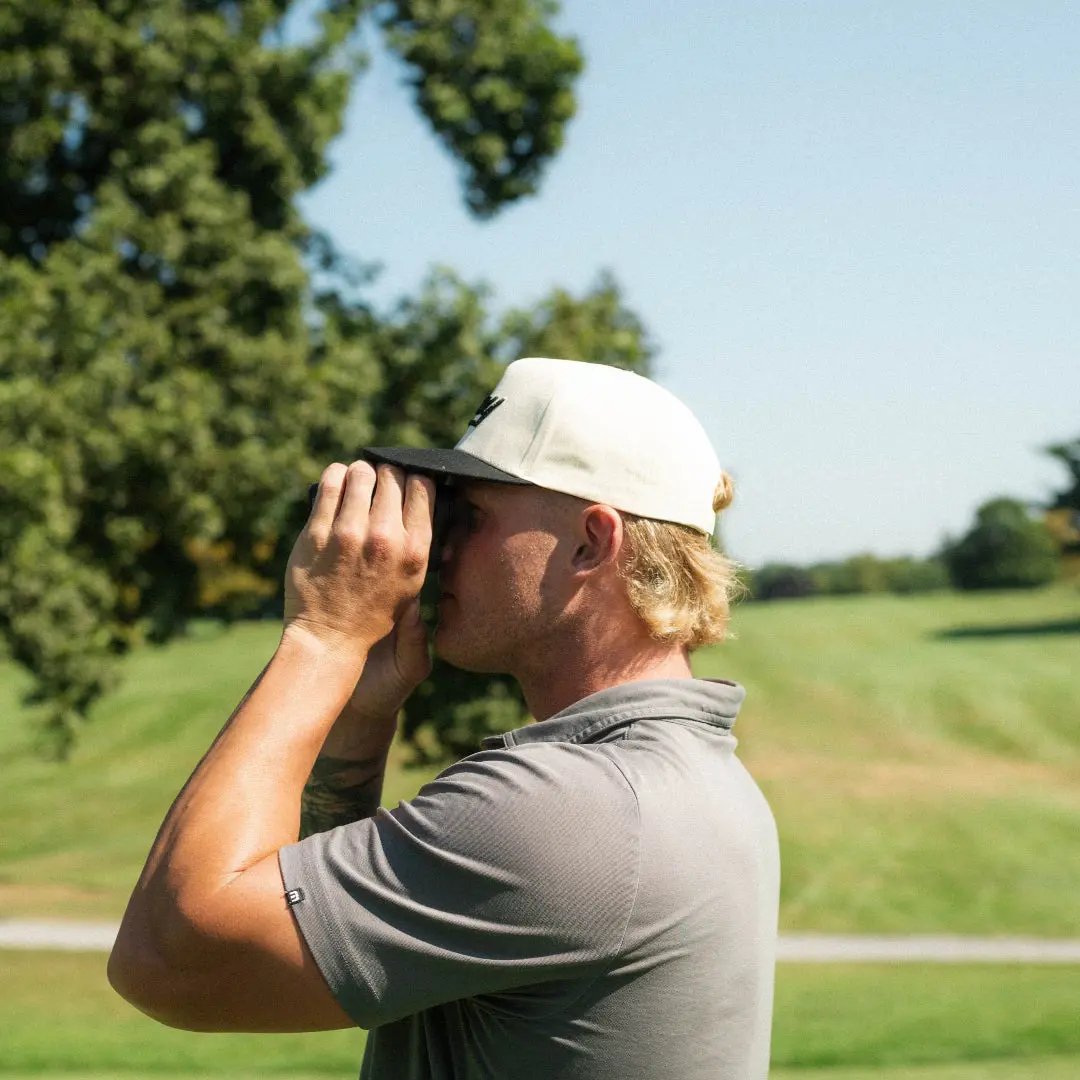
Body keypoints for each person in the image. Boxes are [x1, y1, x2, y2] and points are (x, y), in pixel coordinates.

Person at [108, 357, 780, 1079]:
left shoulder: (572, 809)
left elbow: (172, 960)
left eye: (471, 515)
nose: (437, 548)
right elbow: (307, 930)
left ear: (592, 540)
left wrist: (322, 640)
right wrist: (360, 721)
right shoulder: (681, 783)